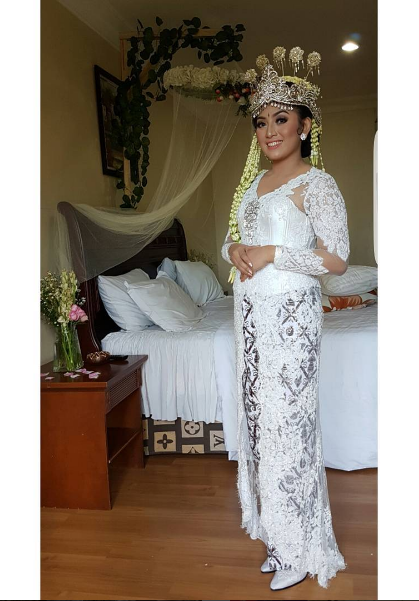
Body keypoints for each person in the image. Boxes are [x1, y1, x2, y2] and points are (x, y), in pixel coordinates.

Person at [221, 47, 348, 591]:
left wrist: (273, 253)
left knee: (289, 429)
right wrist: (233, 251)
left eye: (280, 119)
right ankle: (278, 537)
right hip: (249, 318)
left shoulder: (318, 184)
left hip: (292, 321)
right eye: (261, 122)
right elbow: (230, 240)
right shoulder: (252, 187)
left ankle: (301, 548)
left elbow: (337, 260)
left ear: (304, 125)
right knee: (260, 428)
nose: (269, 131)